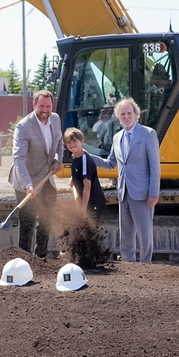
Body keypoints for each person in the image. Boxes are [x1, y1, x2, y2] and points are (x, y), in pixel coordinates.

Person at [94, 97, 160, 263]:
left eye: (129, 113)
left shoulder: (148, 134)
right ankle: (128, 266)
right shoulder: (117, 137)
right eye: (122, 114)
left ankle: (146, 266)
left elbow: (155, 167)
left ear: (136, 114)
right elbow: (110, 164)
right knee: (126, 234)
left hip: (142, 193)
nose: (126, 116)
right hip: (124, 192)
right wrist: (86, 156)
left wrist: (154, 193)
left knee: (145, 234)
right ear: (118, 117)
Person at [9, 89, 64, 257]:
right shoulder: (24, 126)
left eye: (48, 106)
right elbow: (18, 158)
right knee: (27, 223)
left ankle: (40, 259)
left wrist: (58, 160)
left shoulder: (55, 119)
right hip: (26, 179)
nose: (45, 111)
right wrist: (28, 184)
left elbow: (60, 141)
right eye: (42, 106)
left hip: (46, 177)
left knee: (46, 220)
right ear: (34, 105)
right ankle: (24, 261)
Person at [64, 127, 107, 221]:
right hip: (84, 200)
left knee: (89, 232)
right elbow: (77, 170)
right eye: (69, 142)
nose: (72, 144)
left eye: (74, 141)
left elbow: (87, 187)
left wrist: (83, 209)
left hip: (92, 202)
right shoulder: (75, 156)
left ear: (82, 141)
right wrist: (73, 178)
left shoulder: (85, 161)